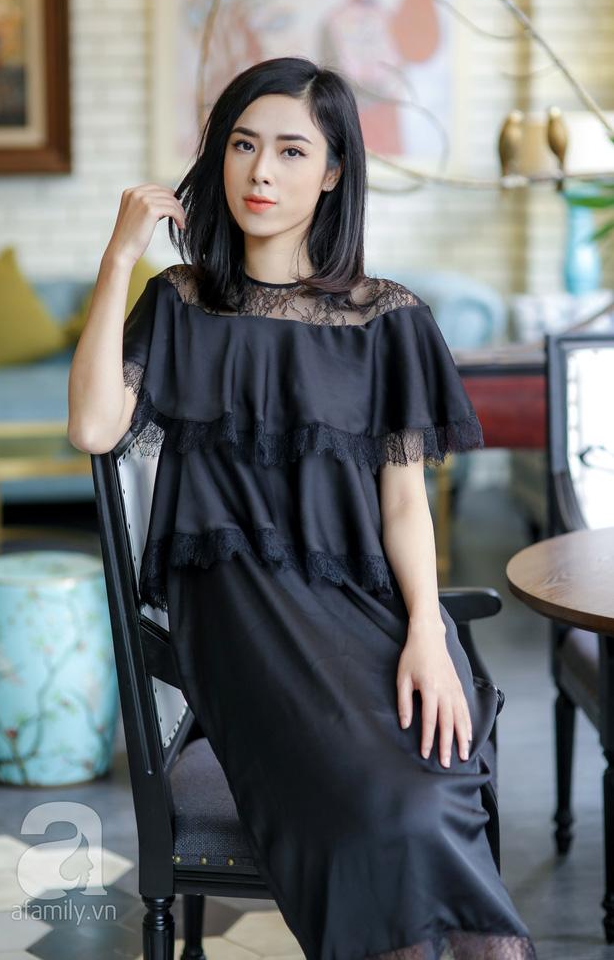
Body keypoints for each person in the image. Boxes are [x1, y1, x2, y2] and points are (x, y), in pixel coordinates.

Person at [68, 56, 537, 960]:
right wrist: (120, 255)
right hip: (239, 617)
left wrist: (427, 630)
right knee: (390, 806)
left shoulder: (388, 320)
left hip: (366, 611)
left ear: (332, 172)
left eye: (291, 151)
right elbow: (93, 424)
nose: (261, 172)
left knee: (431, 789)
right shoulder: (181, 304)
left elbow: (404, 504)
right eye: (243, 145)